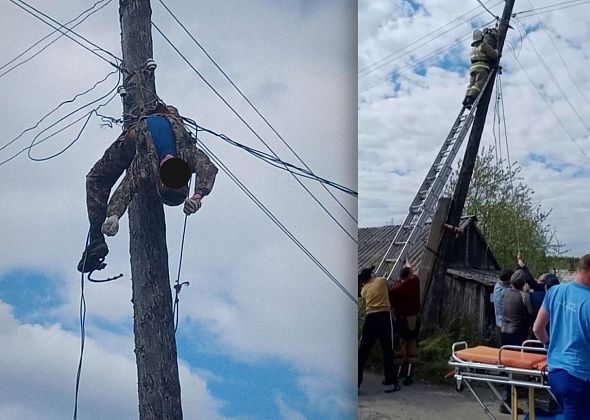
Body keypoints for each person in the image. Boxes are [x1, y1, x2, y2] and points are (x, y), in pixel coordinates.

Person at [78, 103, 218, 273]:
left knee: (96, 179)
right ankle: (96, 240)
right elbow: (208, 168)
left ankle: (96, 239)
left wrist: (113, 215)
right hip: (163, 112)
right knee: (97, 180)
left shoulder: (146, 167)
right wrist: (197, 196)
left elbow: (126, 187)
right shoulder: (188, 156)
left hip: (133, 141)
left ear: (160, 179)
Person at [533, 255, 590, 419]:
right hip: (579, 377)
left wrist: (549, 343)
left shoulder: (555, 291)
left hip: (555, 372)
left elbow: (537, 328)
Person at [358, 267, 400, 393]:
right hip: (383, 317)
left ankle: (355, 384)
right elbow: (390, 286)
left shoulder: (363, 290)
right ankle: (390, 382)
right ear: (371, 275)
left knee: (362, 352)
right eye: (372, 272)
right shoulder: (381, 281)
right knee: (387, 350)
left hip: (370, 319)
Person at [498, 269, 532, 414]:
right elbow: (531, 314)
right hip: (517, 334)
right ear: (523, 283)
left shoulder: (505, 294)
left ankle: (507, 398)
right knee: (516, 368)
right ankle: (508, 400)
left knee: (507, 366)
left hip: (504, 332)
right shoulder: (523, 296)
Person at [389, 265, 420, 386]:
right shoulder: (415, 283)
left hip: (401, 321)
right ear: (409, 276)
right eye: (411, 273)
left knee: (399, 348)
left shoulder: (397, 289)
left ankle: (396, 375)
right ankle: (408, 375)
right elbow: (414, 275)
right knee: (412, 348)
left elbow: (391, 304)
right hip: (414, 320)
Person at [462, 28, 499, 109]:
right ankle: (471, 98)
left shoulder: (473, 49)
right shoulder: (484, 45)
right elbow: (493, 55)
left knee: (471, 84)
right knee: (479, 83)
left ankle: (466, 97)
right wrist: (496, 51)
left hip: (473, 68)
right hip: (482, 67)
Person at [492, 269, 513, 347]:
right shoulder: (507, 291)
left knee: (501, 348)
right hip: (507, 326)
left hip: (498, 324)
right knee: (508, 349)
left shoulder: (497, 286)